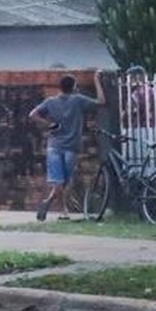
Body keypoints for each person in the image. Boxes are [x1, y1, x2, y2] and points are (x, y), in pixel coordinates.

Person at [28, 71, 106, 222]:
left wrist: (49, 124)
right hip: (71, 147)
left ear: (60, 87)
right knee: (64, 181)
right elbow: (101, 102)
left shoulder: (50, 102)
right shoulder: (78, 100)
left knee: (60, 181)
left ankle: (62, 210)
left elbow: (32, 115)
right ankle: (51, 203)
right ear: (74, 87)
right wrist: (96, 79)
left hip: (54, 146)